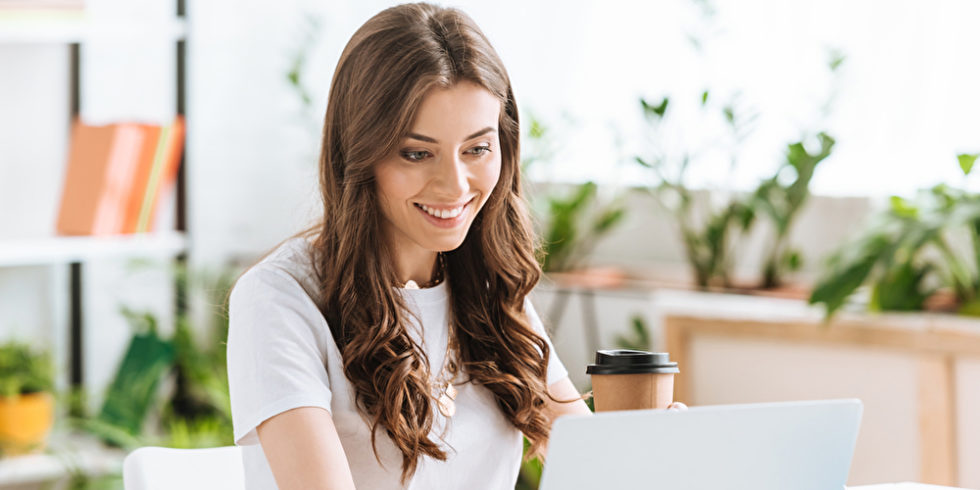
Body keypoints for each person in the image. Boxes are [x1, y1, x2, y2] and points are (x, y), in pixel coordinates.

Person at [226, 3, 593, 489]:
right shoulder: (280, 300)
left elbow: (593, 465)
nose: (455, 185)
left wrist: (664, 449)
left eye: (477, 149)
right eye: (417, 153)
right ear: (359, 154)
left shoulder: (488, 288)